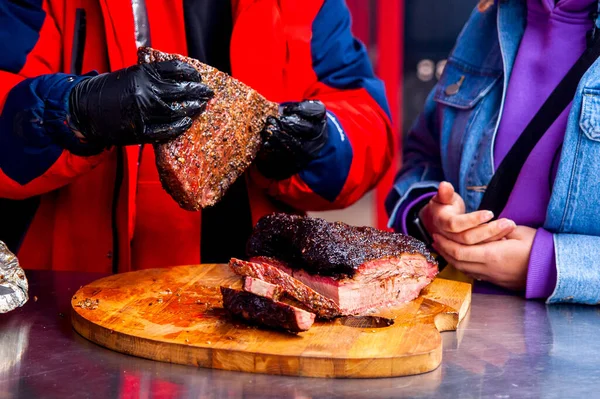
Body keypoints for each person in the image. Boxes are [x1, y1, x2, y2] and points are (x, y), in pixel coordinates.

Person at [0, 0, 393, 273]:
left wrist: (322, 142)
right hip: (69, 294)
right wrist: (72, 111)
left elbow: (367, 119)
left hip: (253, 306)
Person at [386, 0, 600, 304]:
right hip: (458, 325)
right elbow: (424, 154)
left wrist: (549, 265)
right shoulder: (491, 16)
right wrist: (433, 215)